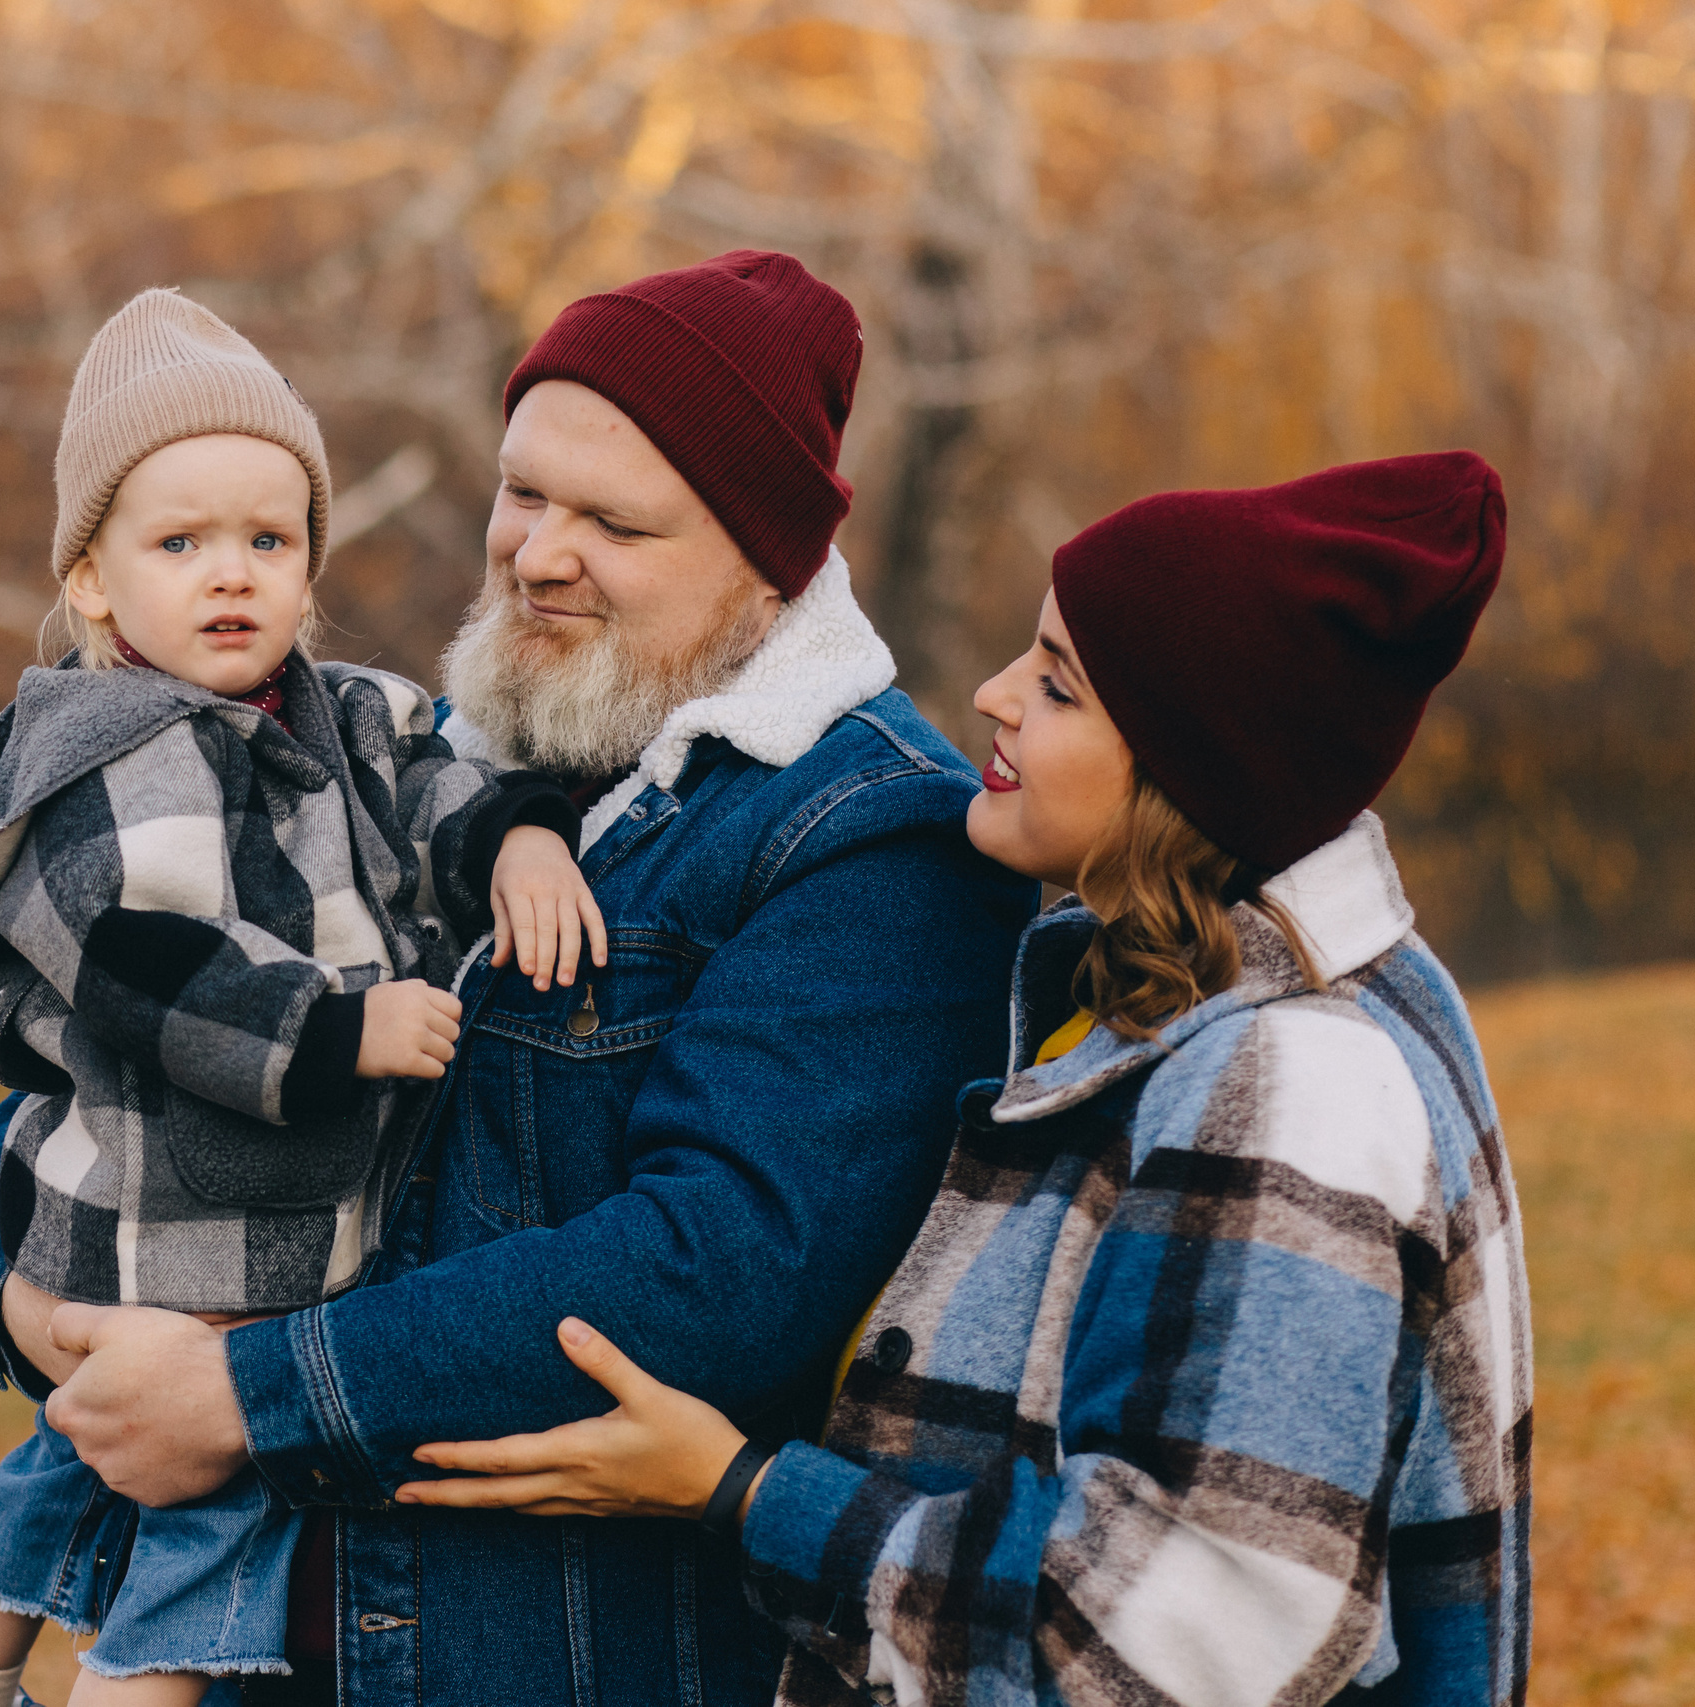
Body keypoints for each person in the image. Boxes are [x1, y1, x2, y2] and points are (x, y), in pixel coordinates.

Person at [0, 251, 1042, 1705]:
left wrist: (243, 1394)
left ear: (766, 561)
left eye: (614, 520)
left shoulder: (868, 836)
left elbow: (714, 1267)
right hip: (272, 1628)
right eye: (526, 491)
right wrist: (29, 1303)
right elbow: (102, 1035)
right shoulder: (441, 756)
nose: (537, 552)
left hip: (546, 1651)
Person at [394, 453, 1534, 1707]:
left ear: (1185, 769)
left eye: (1055, 686)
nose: (992, 696)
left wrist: (746, 1490)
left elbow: (1178, 1640)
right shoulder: (1168, 995)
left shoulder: (1288, 1079)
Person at [0, 289, 604, 1707]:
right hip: (160, 1210)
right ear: (92, 581)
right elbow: (151, 967)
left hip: (255, 1214)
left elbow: (434, 770)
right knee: (208, 1506)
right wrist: (344, 1029)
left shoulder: (340, 708)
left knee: (72, 1457)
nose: (233, 576)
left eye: (270, 541)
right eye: (182, 542)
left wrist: (515, 832)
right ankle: (34, 1680)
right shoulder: (107, 758)